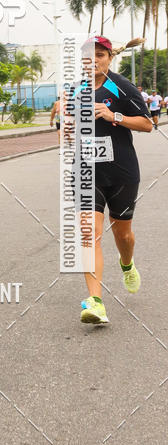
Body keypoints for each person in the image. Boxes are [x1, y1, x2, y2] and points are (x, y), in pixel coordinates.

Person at [74, 37, 152, 324]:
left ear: (109, 58)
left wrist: (113, 115)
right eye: (88, 56)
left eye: (100, 55)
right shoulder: (77, 90)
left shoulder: (121, 87)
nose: (93, 60)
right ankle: (95, 302)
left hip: (122, 173)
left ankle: (127, 263)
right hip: (88, 173)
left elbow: (147, 124)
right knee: (89, 234)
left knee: (123, 235)